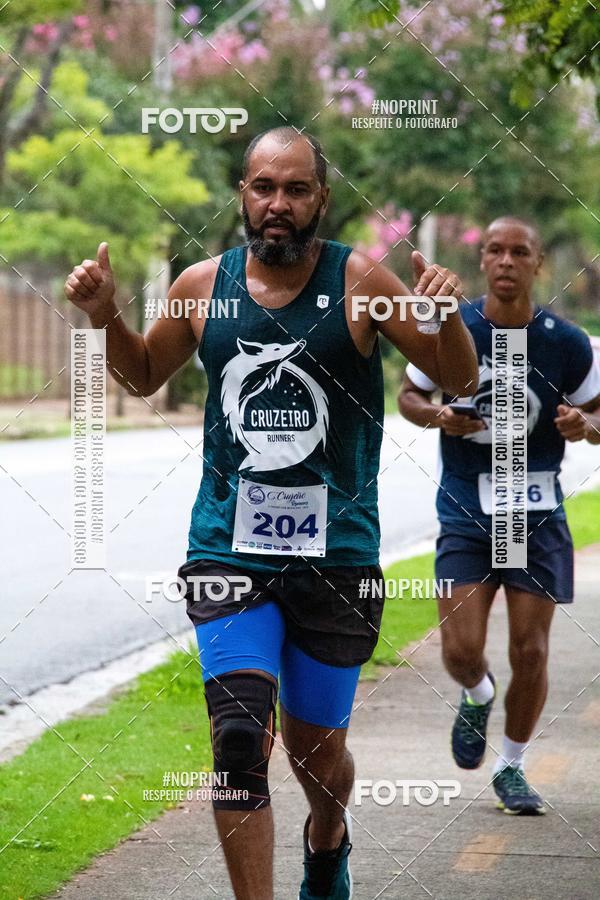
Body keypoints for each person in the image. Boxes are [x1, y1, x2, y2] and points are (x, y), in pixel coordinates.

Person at [64, 127, 478, 900]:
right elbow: (145, 374)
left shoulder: (361, 281)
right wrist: (104, 317)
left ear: (321, 197)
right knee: (236, 739)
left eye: (295, 190)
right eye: (263, 188)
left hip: (337, 559)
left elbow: (456, 376)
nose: (277, 205)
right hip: (228, 550)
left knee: (318, 756)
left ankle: (328, 835)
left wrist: (447, 316)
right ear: (243, 196)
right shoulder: (199, 284)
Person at [398, 216, 600, 815]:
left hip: (534, 512)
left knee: (531, 652)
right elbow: (410, 397)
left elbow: (597, 416)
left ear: (538, 264)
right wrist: (438, 417)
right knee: (460, 650)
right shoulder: (455, 326)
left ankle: (511, 766)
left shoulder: (567, 342)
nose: (507, 261)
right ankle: (478, 694)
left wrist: (582, 425)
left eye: (520, 251)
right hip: (466, 506)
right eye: (495, 250)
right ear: (482, 261)